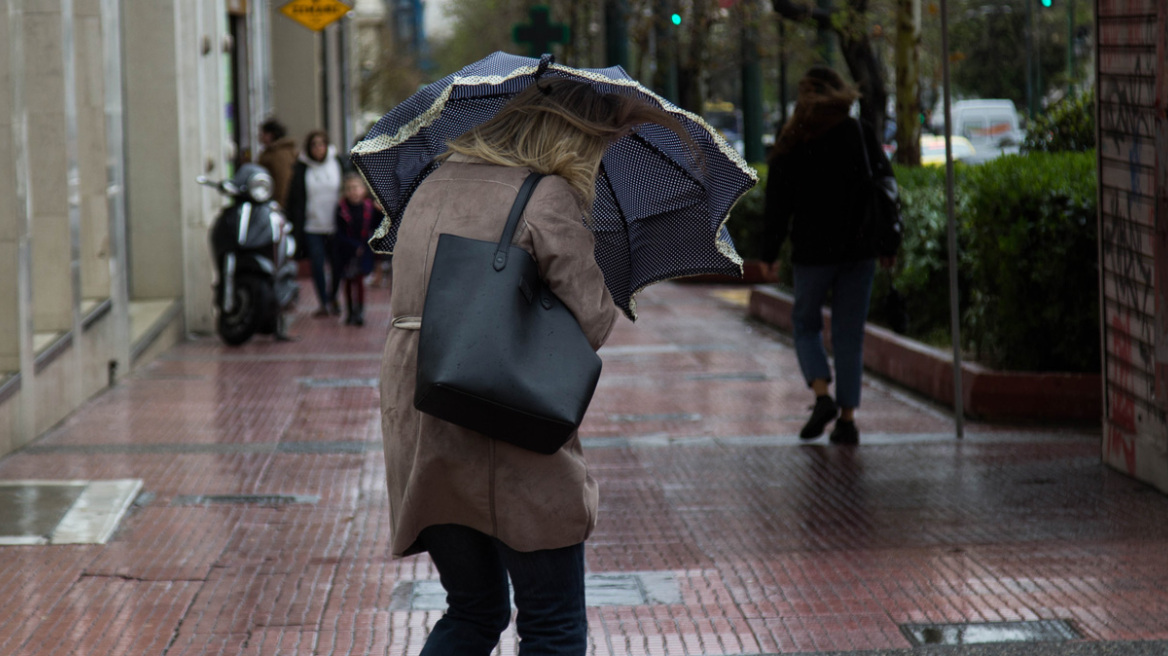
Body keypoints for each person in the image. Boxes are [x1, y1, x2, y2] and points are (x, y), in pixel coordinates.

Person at [379, 78, 695, 656]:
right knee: (552, 624)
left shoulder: (432, 183)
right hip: (505, 421)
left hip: (422, 420)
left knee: (472, 611)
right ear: (576, 136)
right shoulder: (545, 195)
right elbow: (591, 321)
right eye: (605, 142)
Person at [761, 66, 895, 446]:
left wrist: (769, 252)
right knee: (849, 334)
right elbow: (885, 187)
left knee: (805, 323)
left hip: (812, 254)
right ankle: (847, 421)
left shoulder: (793, 138)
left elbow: (777, 203)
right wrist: (887, 245)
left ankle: (822, 396)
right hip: (859, 251)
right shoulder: (858, 132)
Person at [287, 130, 344, 317]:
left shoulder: (338, 163)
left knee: (337, 264)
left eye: (321, 144)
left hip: (335, 225)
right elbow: (294, 198)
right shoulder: (302, 168)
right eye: (314, 145)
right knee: (317, 264)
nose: (318, 148)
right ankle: (323, 302)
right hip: (312, 225)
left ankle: (333, 296)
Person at [333, 172, 377, 326]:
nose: (353, 191)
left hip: (363, 252)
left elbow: (376, 227)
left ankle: (360, 312)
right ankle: (350, 311)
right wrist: (352, 246)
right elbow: (339, 233)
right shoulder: (341, 209)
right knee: (347, 281)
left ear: (364, 189)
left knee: (359, 281)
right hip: (346, 252)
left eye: (356, 187)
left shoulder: (369, 208)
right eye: (349, 188)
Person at [256, 118, 298, 209]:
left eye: (262, 134)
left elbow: (283, 179)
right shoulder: (274, 152)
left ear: (270, 135)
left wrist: (280, 205)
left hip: (277, 203)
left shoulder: (278, 155)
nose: (260, 137)